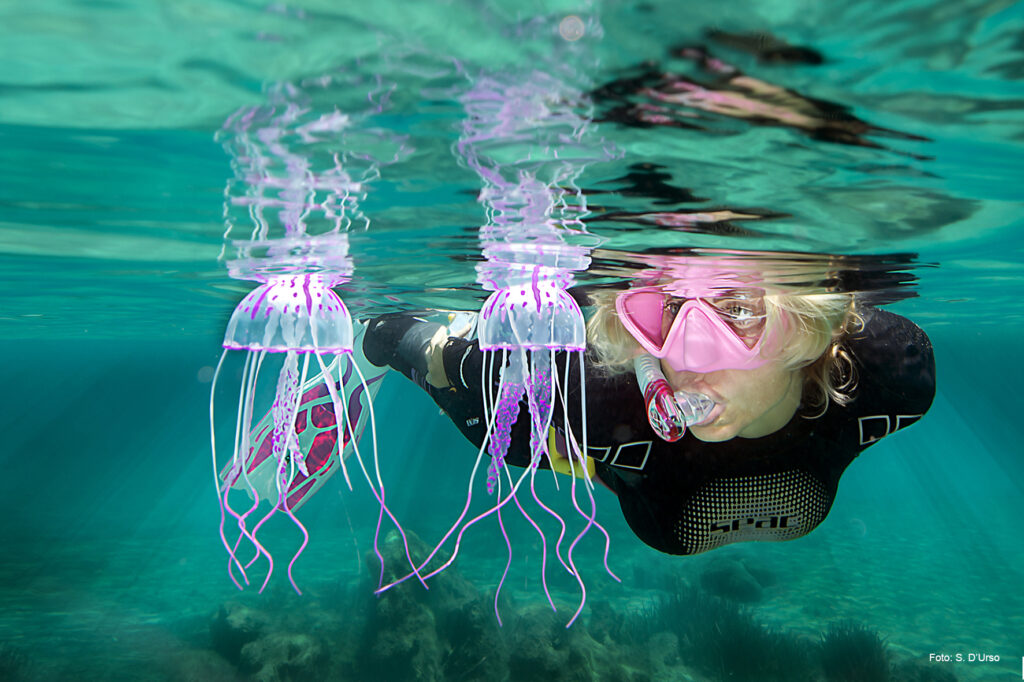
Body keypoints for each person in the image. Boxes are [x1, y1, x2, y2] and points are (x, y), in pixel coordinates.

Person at [362, 259, 935, 556]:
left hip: (614, 445)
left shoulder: (889, 374)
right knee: (498, 419)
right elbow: (478, 372)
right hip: (595, 441)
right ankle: (385, 336)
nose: (682, 358)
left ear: (809, 328)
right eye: (664, 310)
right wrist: (433, 349)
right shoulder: (594, 386)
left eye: (736, 311)